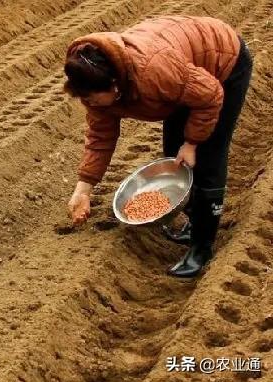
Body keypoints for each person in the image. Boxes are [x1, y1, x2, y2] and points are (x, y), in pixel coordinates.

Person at [64, 16, 253, 278]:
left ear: (115, 86)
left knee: (208, 155)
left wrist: (192, 142)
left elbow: (209, 96)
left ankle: (202, 246)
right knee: (173, 154)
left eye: (92, 98)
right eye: (84, 98)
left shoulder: (153, 72)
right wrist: (83, 189)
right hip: (184, 73)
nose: (89, 103)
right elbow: (100, 135)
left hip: (223, 63)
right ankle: (194, 222)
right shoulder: (93, 86)